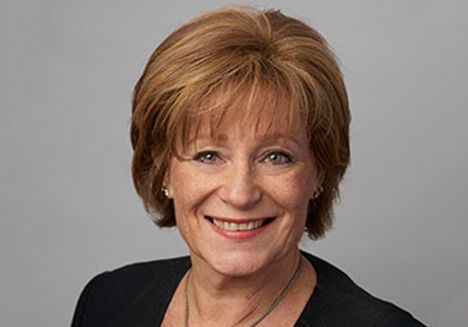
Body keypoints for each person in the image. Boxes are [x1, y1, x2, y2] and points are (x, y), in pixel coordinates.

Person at [71, 5, 426, 327]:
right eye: (208, 155)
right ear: (163, 169)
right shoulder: (107, 302)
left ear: (319, 172)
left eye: (276, 157)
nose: (240, 193)